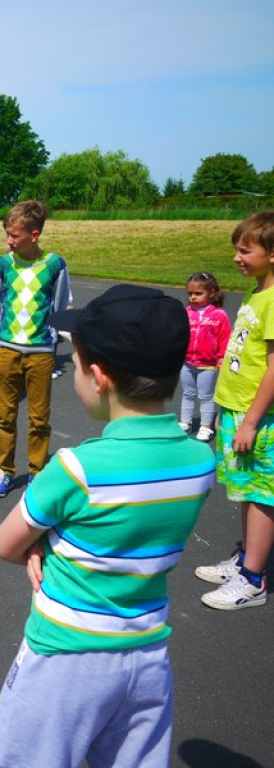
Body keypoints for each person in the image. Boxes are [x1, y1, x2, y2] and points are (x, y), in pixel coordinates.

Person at [0, 284, 216, 768]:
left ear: (98, 376)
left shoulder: (75, 469)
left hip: (65, 657)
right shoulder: (200, 463)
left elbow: (5, 544)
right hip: (147, 655)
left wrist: (43, 542)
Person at [195, 212, 274, 611]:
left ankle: (254, 580)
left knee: (261, 495)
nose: (236, 258)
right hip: (238, 410)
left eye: (245, 251)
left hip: (257, 418)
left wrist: (252, 421)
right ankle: (246, 559)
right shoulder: (256, 292)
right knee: (246, 490)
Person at [0, 201, 70, 498]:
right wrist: (5, 332)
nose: (9, 240)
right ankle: (4, 471)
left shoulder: (55, 265)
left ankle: (37, 471)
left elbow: (59, 306)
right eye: (7, 234)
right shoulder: (2, 264)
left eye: (14, 235)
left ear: (34, 235)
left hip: (41, 352)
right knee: (4, 416)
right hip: (7, 349)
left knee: (39, 418)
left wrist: (48, 335)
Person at [179, 271, 231, 442]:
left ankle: (206, 426)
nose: (193, 297)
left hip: (207, 365)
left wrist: (222, 359)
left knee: (205, 396)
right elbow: (180, 335)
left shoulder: (219, 315)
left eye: (198, 293)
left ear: (212, 293)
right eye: (190, 293)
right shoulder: (186, 313)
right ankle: (185, 422)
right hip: (187, 363)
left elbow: (225, 339)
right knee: (188, 393)